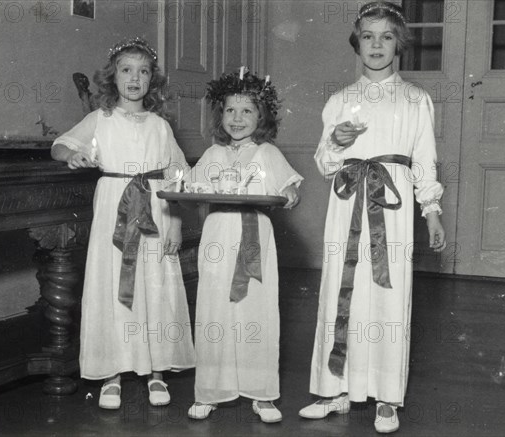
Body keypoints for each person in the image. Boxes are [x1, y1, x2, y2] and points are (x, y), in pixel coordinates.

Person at [299, 2, 446, 433]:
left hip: (393, 207)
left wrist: (431, 211)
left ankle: (385, 397)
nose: (377, 45)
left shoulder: (416, 99)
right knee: (342, 291)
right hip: (347, 205)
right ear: (357, 42)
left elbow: (424, 161)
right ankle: (338, 388)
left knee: (386, 295)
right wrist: (339, 143)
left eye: (386, 37)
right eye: (368, 36)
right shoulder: (341, 100)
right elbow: (325, 162)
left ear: (399, 43)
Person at [51, 36, 195, 410]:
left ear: (153, 81)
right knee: (112, 286)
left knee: (154, 286)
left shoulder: (160, 126)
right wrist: (72, 156)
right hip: (114, 207)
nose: (135, 78)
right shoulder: (100, 119)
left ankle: (157, 371)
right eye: (126, 71)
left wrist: (176, 222)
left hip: (155, 210)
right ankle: (111, 373)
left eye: (143, 72)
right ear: (112, 78)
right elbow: (62, 144)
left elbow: (178, 174)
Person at [185, 69, 303, 423]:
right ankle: (210, 390)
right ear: (220, 115)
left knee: (256, 312)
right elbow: (191, 187)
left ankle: (261, 393)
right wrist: (192, 190)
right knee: (214, 310)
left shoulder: (266, 152)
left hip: (255, 236)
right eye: (230, 111)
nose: (237, 119)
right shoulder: (213, 153)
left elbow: (290, 188)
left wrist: (290, 193)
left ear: (261, 116)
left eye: (247, 111)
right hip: (219, 237)